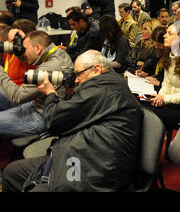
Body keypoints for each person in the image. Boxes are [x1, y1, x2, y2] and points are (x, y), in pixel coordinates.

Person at [2, 50, 142, 192]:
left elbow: (53, 122)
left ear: (96, 70)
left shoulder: (103, 87)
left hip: (94, 169)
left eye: (78, 74)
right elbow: (70, 116)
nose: (76, 79)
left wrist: (50, 93)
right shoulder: (107, 84)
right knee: (12, 172)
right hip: (80, 155)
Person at [0, 29, 73, 137]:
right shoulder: (57, 53)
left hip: (40, 116)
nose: (23, 52)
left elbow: (17, 96)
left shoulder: (49, 67)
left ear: (38, 48)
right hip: (34, 104)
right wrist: (17, 47)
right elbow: (28, 57)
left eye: (25, 49)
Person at [135, 26, 167, 93]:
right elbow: (157, 73)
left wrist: (159, 83)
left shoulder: (170, 58)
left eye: (159, 45)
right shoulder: (159, 54)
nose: (156, 47)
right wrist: (147, 75)